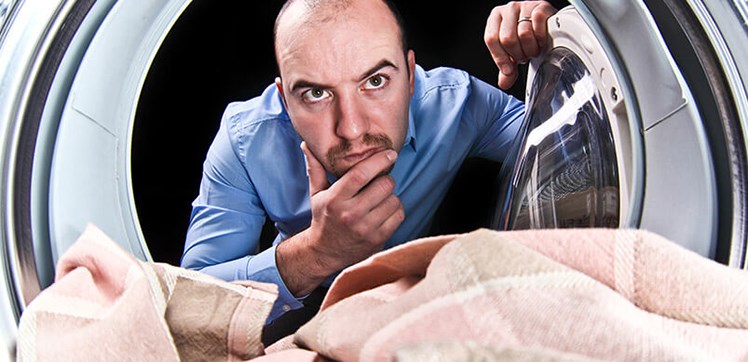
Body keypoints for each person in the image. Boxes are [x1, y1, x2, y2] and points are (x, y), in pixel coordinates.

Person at [181, 0, 557, 342]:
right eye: (315, 94)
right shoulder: (245, 139)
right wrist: (316, 252)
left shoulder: (457, 103)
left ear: (410, 76)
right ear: (283, 98)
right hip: (299, 311)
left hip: (422, 302)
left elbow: (573, 142)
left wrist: (547, 42)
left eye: (375, 82)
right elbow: (191, 304)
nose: (352, 129)